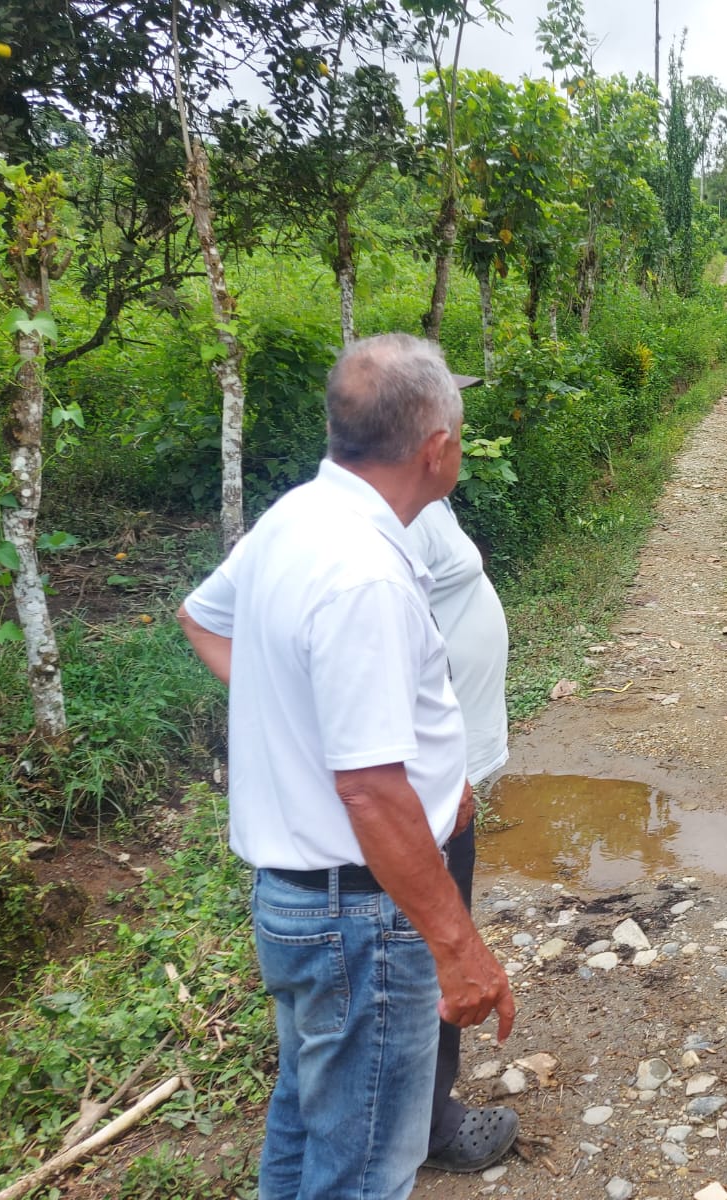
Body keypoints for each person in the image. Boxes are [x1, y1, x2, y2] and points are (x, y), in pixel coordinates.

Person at [178, 333, 516, 1200]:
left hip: (301, 905)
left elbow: (202, 617)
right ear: (435, 449)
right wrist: (459, 947)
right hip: (360, 917)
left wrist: (300, 715)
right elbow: (368, 788)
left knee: (305, 1127)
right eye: (459, 436)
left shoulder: (297, 517)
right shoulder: (367, 575)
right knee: (363, 1170)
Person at [408, 373, 519, 1174]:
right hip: (426, 795)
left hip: (442, 782)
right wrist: (439, 769)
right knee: (429, 944)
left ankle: (415, 1109)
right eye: (455, 416)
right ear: (431, 439)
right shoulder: (390, 527)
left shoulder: (419, 504)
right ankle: (427, 1125)